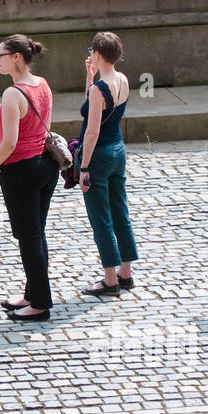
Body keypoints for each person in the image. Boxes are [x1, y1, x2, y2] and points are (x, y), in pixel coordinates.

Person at [0, 35, 58, 321]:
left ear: (16, 57)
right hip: (45, 166)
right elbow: (45, 128)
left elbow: (9, 143)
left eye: (1, 55)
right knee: (36, 233)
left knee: (28, 238)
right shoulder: (42, 83)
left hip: (21, 170)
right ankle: (32, 294)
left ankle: (40, 303)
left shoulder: (12, 94)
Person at [79, 31, 138, 298]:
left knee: (100, 217)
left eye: (92, 50)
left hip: (100, 155)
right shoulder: (122, 80)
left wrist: (83, 168)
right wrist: (90, 77)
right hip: (118, 151)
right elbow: (94, 109)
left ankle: (109, 279)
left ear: (98, 54)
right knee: (120, 211)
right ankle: (126, 272)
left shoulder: (98, 90)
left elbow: (91, 131)